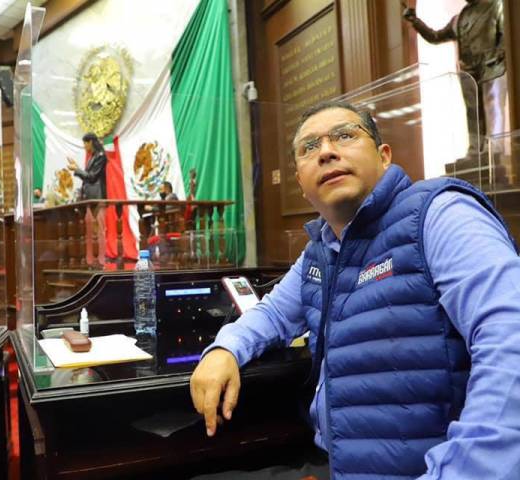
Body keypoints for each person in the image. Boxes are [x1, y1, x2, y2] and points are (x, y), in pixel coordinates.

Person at [190, 100, 520, 479]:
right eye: (309, 147)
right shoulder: (322, 249)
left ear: (384, 156)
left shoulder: (440, 214)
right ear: (300, 182)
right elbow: (274, 313)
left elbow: (510, 339)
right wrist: (225, 349)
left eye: (345, 136)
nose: (326, 152)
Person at [403, 0, 507, 154]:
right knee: (472, 112)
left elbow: (506, 35)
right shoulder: (460, 17)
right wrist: (415, 21)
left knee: (493, 107)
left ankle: (494, 147)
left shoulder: (496, 5)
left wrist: (497, 55)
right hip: (468, 72)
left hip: (492, 68)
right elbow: (436, 36)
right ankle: (475, 148)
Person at [68, 133, 108, 268]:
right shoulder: (93, 157)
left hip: (98, 196)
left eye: (85, 143)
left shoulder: (101, 156)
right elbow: (88, 176)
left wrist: (77, 169)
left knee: (99, 229)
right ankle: (93, 259)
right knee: (92, 230)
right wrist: (77, 168)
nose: (84, 146)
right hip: (90, 197)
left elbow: (92, 177)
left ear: (91, 142)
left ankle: (101, 260)